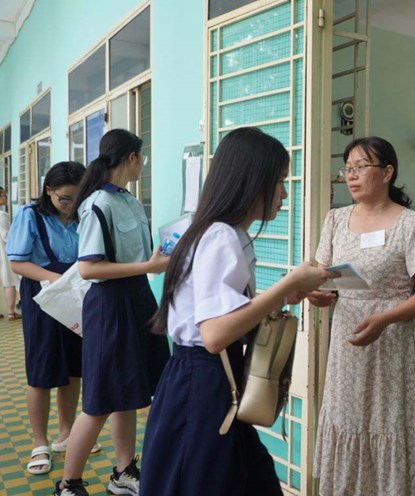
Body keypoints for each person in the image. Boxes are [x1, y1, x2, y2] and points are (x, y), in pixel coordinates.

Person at [139, 128, 332, 495]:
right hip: (205, 382)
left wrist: (287, 296)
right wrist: (287, 286)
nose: (284, 194)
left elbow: (224, 315)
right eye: (278, 182)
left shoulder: (214, 232)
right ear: (252, 182)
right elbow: (214, 335)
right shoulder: (222, 236)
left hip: (200, 378)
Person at [308, 136, 415, 495]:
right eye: (347, 168)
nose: (351, 176)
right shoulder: (335, 220)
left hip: (390, 339)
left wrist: (384, 319)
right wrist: (319, 294)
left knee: (385, 420)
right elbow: (323, 275)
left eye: (360, 167)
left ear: (387, 173)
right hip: (347, 339)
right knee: (347, 418)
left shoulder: (413, 224)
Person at [53, 130, 170, 496]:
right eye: (142, 156)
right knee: (101, 400)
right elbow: (89, 268)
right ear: (132, 158)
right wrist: (148, 268)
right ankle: (68, 484)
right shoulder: (97, 204)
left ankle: (123, 472)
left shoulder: (130, 201)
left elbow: (140, 257)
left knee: (131, 391)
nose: (143, 162)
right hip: (109, 306)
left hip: (137, 300)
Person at [6, 162, 87, 476]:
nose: (70, 205)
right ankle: (39, 442)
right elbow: (18, 263)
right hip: (43, 298)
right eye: (64, 199)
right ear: (48, 191)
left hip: (76, 296)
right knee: (41, 371)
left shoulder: (84, 214)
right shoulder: (31, 216)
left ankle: (66, 434)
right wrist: (57, 279)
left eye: (76, 199)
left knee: (73, 368)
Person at [0, 186, 20, 319]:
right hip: (3, 252)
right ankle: (11, 312)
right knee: (8, 281)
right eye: (4, 195)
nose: (6, 198)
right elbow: (6, 235)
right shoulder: (2, 215)